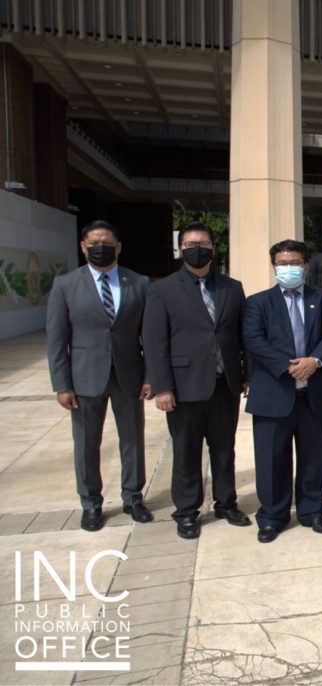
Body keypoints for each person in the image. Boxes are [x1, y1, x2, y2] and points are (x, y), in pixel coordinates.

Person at [142, 222, 250, 540]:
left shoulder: (232, 287)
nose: (196, 249)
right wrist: (162, 387)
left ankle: (226, 503)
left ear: (213, 247)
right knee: (186, 452)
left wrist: (246, 374)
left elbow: (243, 335)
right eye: (190, 244)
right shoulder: (162, 290)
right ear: (180, 249)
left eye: (202, 243)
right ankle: (187, 511)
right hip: (183, 387)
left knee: (224, 450)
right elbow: (154, 342)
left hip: (225, 385)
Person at [46, 220, 152, 532]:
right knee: (86, 444)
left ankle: (133, 497)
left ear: (118, 247)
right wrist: (62, 384)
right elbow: (56, 340)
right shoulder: (65, 285)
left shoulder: (139, 283)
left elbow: (150, 336)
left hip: (129, 377)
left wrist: (150, 376)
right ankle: (91, 502)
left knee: (133, 440)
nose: (100, 248)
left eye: (106, 242)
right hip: (84, 379)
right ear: (83, 247)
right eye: (94, 243)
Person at [243, 240, 322, 543]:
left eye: (294, 263)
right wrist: (287, 366)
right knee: (271, 459)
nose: (288, 268)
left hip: (314, 393)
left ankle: (312, 511)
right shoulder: (258, 302)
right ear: (274, 267)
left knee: (315, 457)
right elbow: (254, 340)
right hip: (273, 392)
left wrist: (315, 361)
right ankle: (272, 516)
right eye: (282, 264)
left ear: (305, 266)